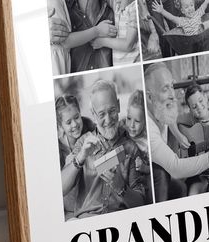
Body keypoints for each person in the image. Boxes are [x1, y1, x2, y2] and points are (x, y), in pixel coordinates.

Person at [144, 63, 209, 201]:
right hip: (156, 173)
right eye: (165, 88)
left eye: (172, 86)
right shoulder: (150, 129)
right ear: (150, 98)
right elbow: (175, 167)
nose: (173, 95)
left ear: (205, 97)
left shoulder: (159, 109)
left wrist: (179, 136)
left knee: (185, 190)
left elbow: (170, 116)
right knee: (163, 176)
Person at [62, 80, 150, 217]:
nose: (108, 120)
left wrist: (122, 188)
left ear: (119, 106)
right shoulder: (82, 143)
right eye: (102, 114)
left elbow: (141, 203)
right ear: (93, 113)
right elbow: (61, 189)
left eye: (112, 111)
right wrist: (80, 158)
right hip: (87, 221)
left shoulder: (130, 148)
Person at [122, 89, 152, 194]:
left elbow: (154, 168)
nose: (131, 125)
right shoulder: (122, 128)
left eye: (137, 121)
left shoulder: (147, 142)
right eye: (129, 118)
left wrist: (144, 167)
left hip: (140, 180)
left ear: (145, 121)